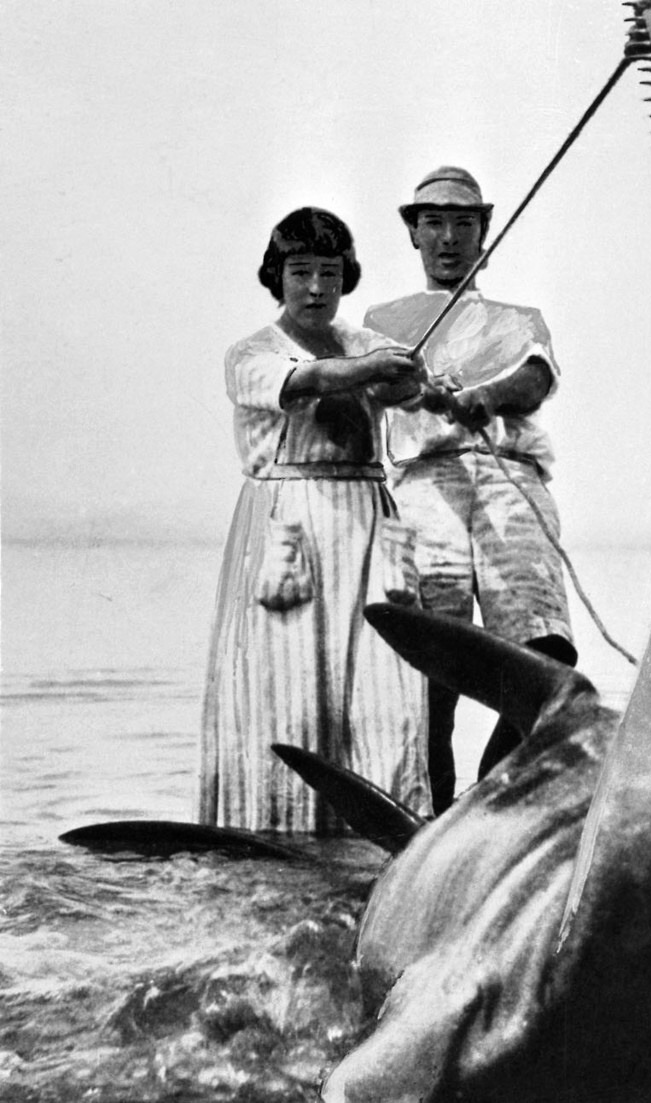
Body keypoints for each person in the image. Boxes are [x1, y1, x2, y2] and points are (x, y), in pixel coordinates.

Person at [198, 207, 432, 833]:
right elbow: (309, 382)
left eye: (330, 273)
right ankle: (276, 835)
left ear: (345, 277)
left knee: (386, 696)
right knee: (286, 695)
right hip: (287, 527)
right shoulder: (250, 353)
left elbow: (406, 390)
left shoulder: (366, 344)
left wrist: (412, 376)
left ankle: (379, 844)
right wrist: (379, 370)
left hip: (368, 524)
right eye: (300, 272)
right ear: (277, 276)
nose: (316, 288)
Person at [364, 166, 576, 813]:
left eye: (463, 224)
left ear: (485, 231)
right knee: (435, 653)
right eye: (434, 224)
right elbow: (375, 386)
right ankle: (432, 812)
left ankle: (492, 797)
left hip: (509, 472)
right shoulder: (384, 317)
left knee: (546, 653)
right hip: (424, 479)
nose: (448, 238)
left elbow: (535, 379)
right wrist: (417, 388)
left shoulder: (520, 319)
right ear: (413, 233)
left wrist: (486, 396)